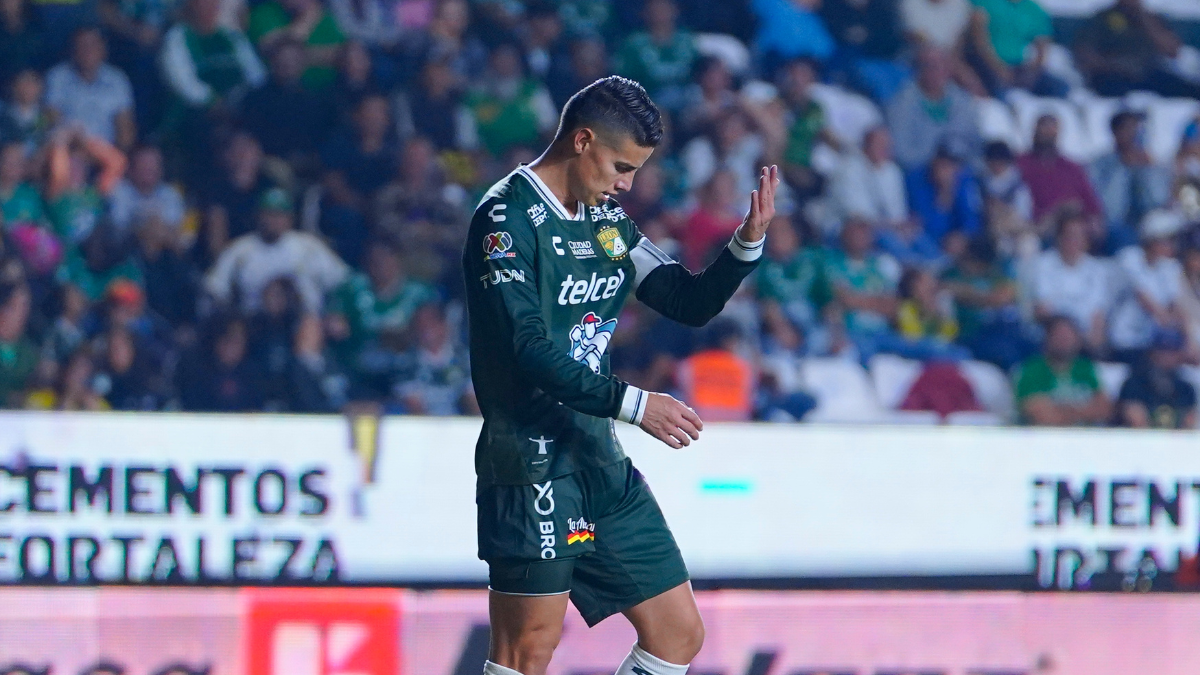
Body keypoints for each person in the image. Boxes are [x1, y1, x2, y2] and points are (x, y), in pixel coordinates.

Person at [463, 75, 778, 675]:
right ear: (582, 140)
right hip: (532, 461)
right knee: (526, 651)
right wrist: (636, 405)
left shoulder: (606, 221)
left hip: (599, 458)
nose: (627, 183)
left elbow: (687, 303)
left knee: (677, 634)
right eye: (621, 165)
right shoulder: (506, 219)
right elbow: (527, 351)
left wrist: (745, 244)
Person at [204, 187, 348, 315]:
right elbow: (215, 288)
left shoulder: (309, 247)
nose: (274, 220)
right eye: (269, 214)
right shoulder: (240, 250)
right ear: (258, 216)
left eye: (280, 214)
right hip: (255, 325)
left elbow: (342, 280)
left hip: (305, 324)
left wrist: (335, 313)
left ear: (290, 218)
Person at [1073, 0, 1200, 99]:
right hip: (1114, 74)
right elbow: (1085, 53)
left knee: (1191, 89)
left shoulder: (1152, 18)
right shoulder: (1102, 18)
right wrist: (1114, 66)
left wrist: (1142, 17)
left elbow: (1173, 51)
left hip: (1149, 73)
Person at [1108, 209, 1187, 361]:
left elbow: (1175, 305)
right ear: (1153, 239)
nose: (1172, 245)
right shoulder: (1128, 257)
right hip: (1125, 339)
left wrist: (1187, 340)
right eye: (1167, 240)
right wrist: (1172, 327)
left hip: (1152, 340)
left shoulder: (1170, 266)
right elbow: (1146, 300)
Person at [887, 44, 980, 172]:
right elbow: (900, 152)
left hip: (958, 171)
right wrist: (936, 164)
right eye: (930, 66)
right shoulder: (902, 103)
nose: (937, 71)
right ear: (919, 69)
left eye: (942, 65)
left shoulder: (961, 100)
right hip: (919, 173)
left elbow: (974, 144)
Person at [1031, 210, 1112, 355]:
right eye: (1069, 235)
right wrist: (1066, 335)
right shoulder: (1042, 264)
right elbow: (1042, 310)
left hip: (1086, 340)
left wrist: (1090, 339)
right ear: (1059, 237)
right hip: (1052, 336)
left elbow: (1098, 315)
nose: (1074, 241)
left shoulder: (1097, 269)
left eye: (1079, 236)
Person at [1090, 110, 1173, 251]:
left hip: (1146, 221)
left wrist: (1148, 171)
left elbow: (1158, 199)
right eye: (1128, 129)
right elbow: (1106, 204)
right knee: (1122, 235)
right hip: (1113, 223)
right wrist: (1121, 167)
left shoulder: (1148, 162)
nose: (1133, 134)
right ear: (1116, 132)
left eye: (1135, 129)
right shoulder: (1100, 163)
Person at [44, 26, 136, 150]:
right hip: (70, 150)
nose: (88, 50)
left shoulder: (117, 79)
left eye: (93, 45)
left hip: (107, 152)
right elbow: (52, 120)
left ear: (103, 49)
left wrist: (121, 153)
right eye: (82, 45)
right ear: (73, 50)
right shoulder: (57, 77)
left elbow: (125, 127)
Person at [1015, 314, 1111, 427]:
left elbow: (1104, 409)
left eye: (1068, 335)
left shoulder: (1085, 367)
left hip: (1085, 438)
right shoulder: (1032, 370)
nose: (1064, 340)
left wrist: (1064, 411)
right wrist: (1082, 411)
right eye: (1059, 335)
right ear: (1047, 338)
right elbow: (1041, 415)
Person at [1016, 114, 1103, 234]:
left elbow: (1091, 204)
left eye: (1051, 132)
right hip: (1036, 224)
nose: (1047, 136)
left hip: (1073, 225)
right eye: (1044, 131)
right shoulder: (1020, 164)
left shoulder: (1072, 168)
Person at [967, 0, 1066, 97]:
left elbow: (1042, 45)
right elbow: (980, 42)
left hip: (1018, 66)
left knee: (1059, 88)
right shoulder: (982, 3)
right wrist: (999, 69)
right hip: (985, 64)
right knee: (997, 90)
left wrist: (1033, 72)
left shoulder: (1033, 9)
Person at [613, 0, 696, 111]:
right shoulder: (634, 43)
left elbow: (699, 72)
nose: (660, 13)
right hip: (649, 102)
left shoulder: (686, 39)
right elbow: (624, 79)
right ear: (645, 12)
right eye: (655, 8)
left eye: (664, 8)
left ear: (675, 10)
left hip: (688, 101)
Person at [1116, 328, 1197, 429]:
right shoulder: (1134, 384)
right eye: (1163, 349)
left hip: (1176, 442)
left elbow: (1188, 422)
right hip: (1138, 441)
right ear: (1153, 352)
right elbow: (1135, 420)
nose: (1167, 356)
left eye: (1173, 351)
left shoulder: (1186, 389)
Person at [108, 144, 185, 242]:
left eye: (153, 164)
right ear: (132, 168)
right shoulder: (118, 191)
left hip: (165, 248)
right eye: (144, 164)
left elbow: (175, 228)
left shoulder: (171, 194)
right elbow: (119, 225)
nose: (149, 168)